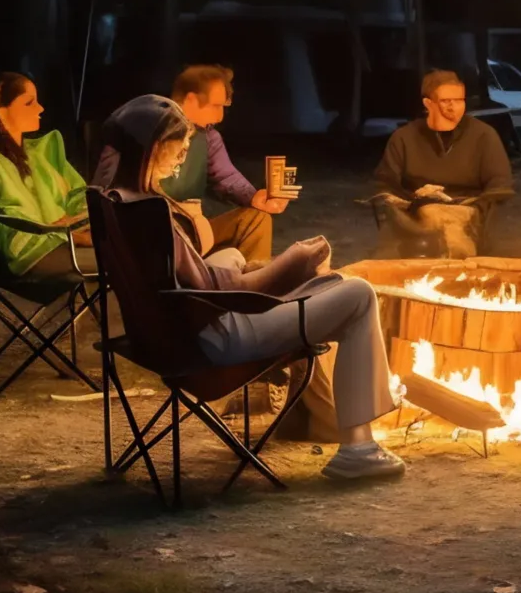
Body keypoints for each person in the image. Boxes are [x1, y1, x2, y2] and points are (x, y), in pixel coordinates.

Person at [99, 95, 405, 481]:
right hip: (214, 337)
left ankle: (330, 415)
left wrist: (261, 269)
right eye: (179, 148)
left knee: (241, 259)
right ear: (156, 147)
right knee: (357, 293)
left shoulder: (118, 200)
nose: (182, 157)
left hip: (169, 333)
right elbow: (209, 291)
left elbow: (193, 280)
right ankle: (358, 449)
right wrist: (291, 263)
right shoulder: (150, 213)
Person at [93, 65, 287, 264]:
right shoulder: (142, 130)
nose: (220, 116)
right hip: (151, 231)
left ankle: (249, 289)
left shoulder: (208, 138)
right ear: (192, 99)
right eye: (215, 106)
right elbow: (104, 187)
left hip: (192, 230)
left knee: (256, 220)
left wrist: (253, 197)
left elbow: (226, 176)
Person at [0, 73, 94, 279]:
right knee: (126, 263)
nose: (40, 108)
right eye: (29, 103)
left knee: (127, 253)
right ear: (2, 112)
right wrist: (70, 234)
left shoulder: (40, 155)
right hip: (32, 255)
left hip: (62, 244)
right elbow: (15, 217)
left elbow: (78, 193)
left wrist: (83, 223)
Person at [372, 69, 514, 258]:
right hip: (415, 215)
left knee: (452, 239)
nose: (453, 107)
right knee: (424, 221)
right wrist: (414, 197)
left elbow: (500, 183)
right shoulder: (404, 138)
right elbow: (385, 183)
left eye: (459, 101)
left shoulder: (483, 136)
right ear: (428, 104)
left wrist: (473, 205)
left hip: (466, 213)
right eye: (446, 101)